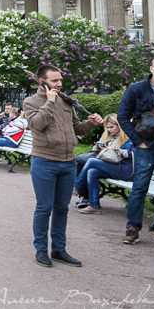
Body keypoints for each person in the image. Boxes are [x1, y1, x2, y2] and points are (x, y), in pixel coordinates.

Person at [23, 64, 103, 267]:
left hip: (68, 162)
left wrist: (91, 123)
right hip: (44, 161)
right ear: (42, 81)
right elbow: (37, 124)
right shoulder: (31, 102)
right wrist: (50, 102)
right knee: (44, 207)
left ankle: (59, 249)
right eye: (55, 80)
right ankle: (41, 250)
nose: (59, 84)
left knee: (61, 208)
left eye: (60, 80)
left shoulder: (66, 101)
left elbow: (77, 129)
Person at [116, 56, 154, 245]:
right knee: (139, 188)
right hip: (147, 147)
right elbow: (122, 117)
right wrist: (138, 141)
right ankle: (132, 228)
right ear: (151, 68)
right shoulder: (136, 89)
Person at [73, 114, 134, 214]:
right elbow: (101, 152)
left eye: (111, 127)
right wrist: (100, 148)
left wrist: (116, 150)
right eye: (107, 127)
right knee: (93, 172)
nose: (109, 130)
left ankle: (77, 186)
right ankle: (94, 205)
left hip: (128, 169)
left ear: (119, 125)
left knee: (92, 161)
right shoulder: (108, 135)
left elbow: (128, 154)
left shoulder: (128, 137)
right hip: (117, 166)